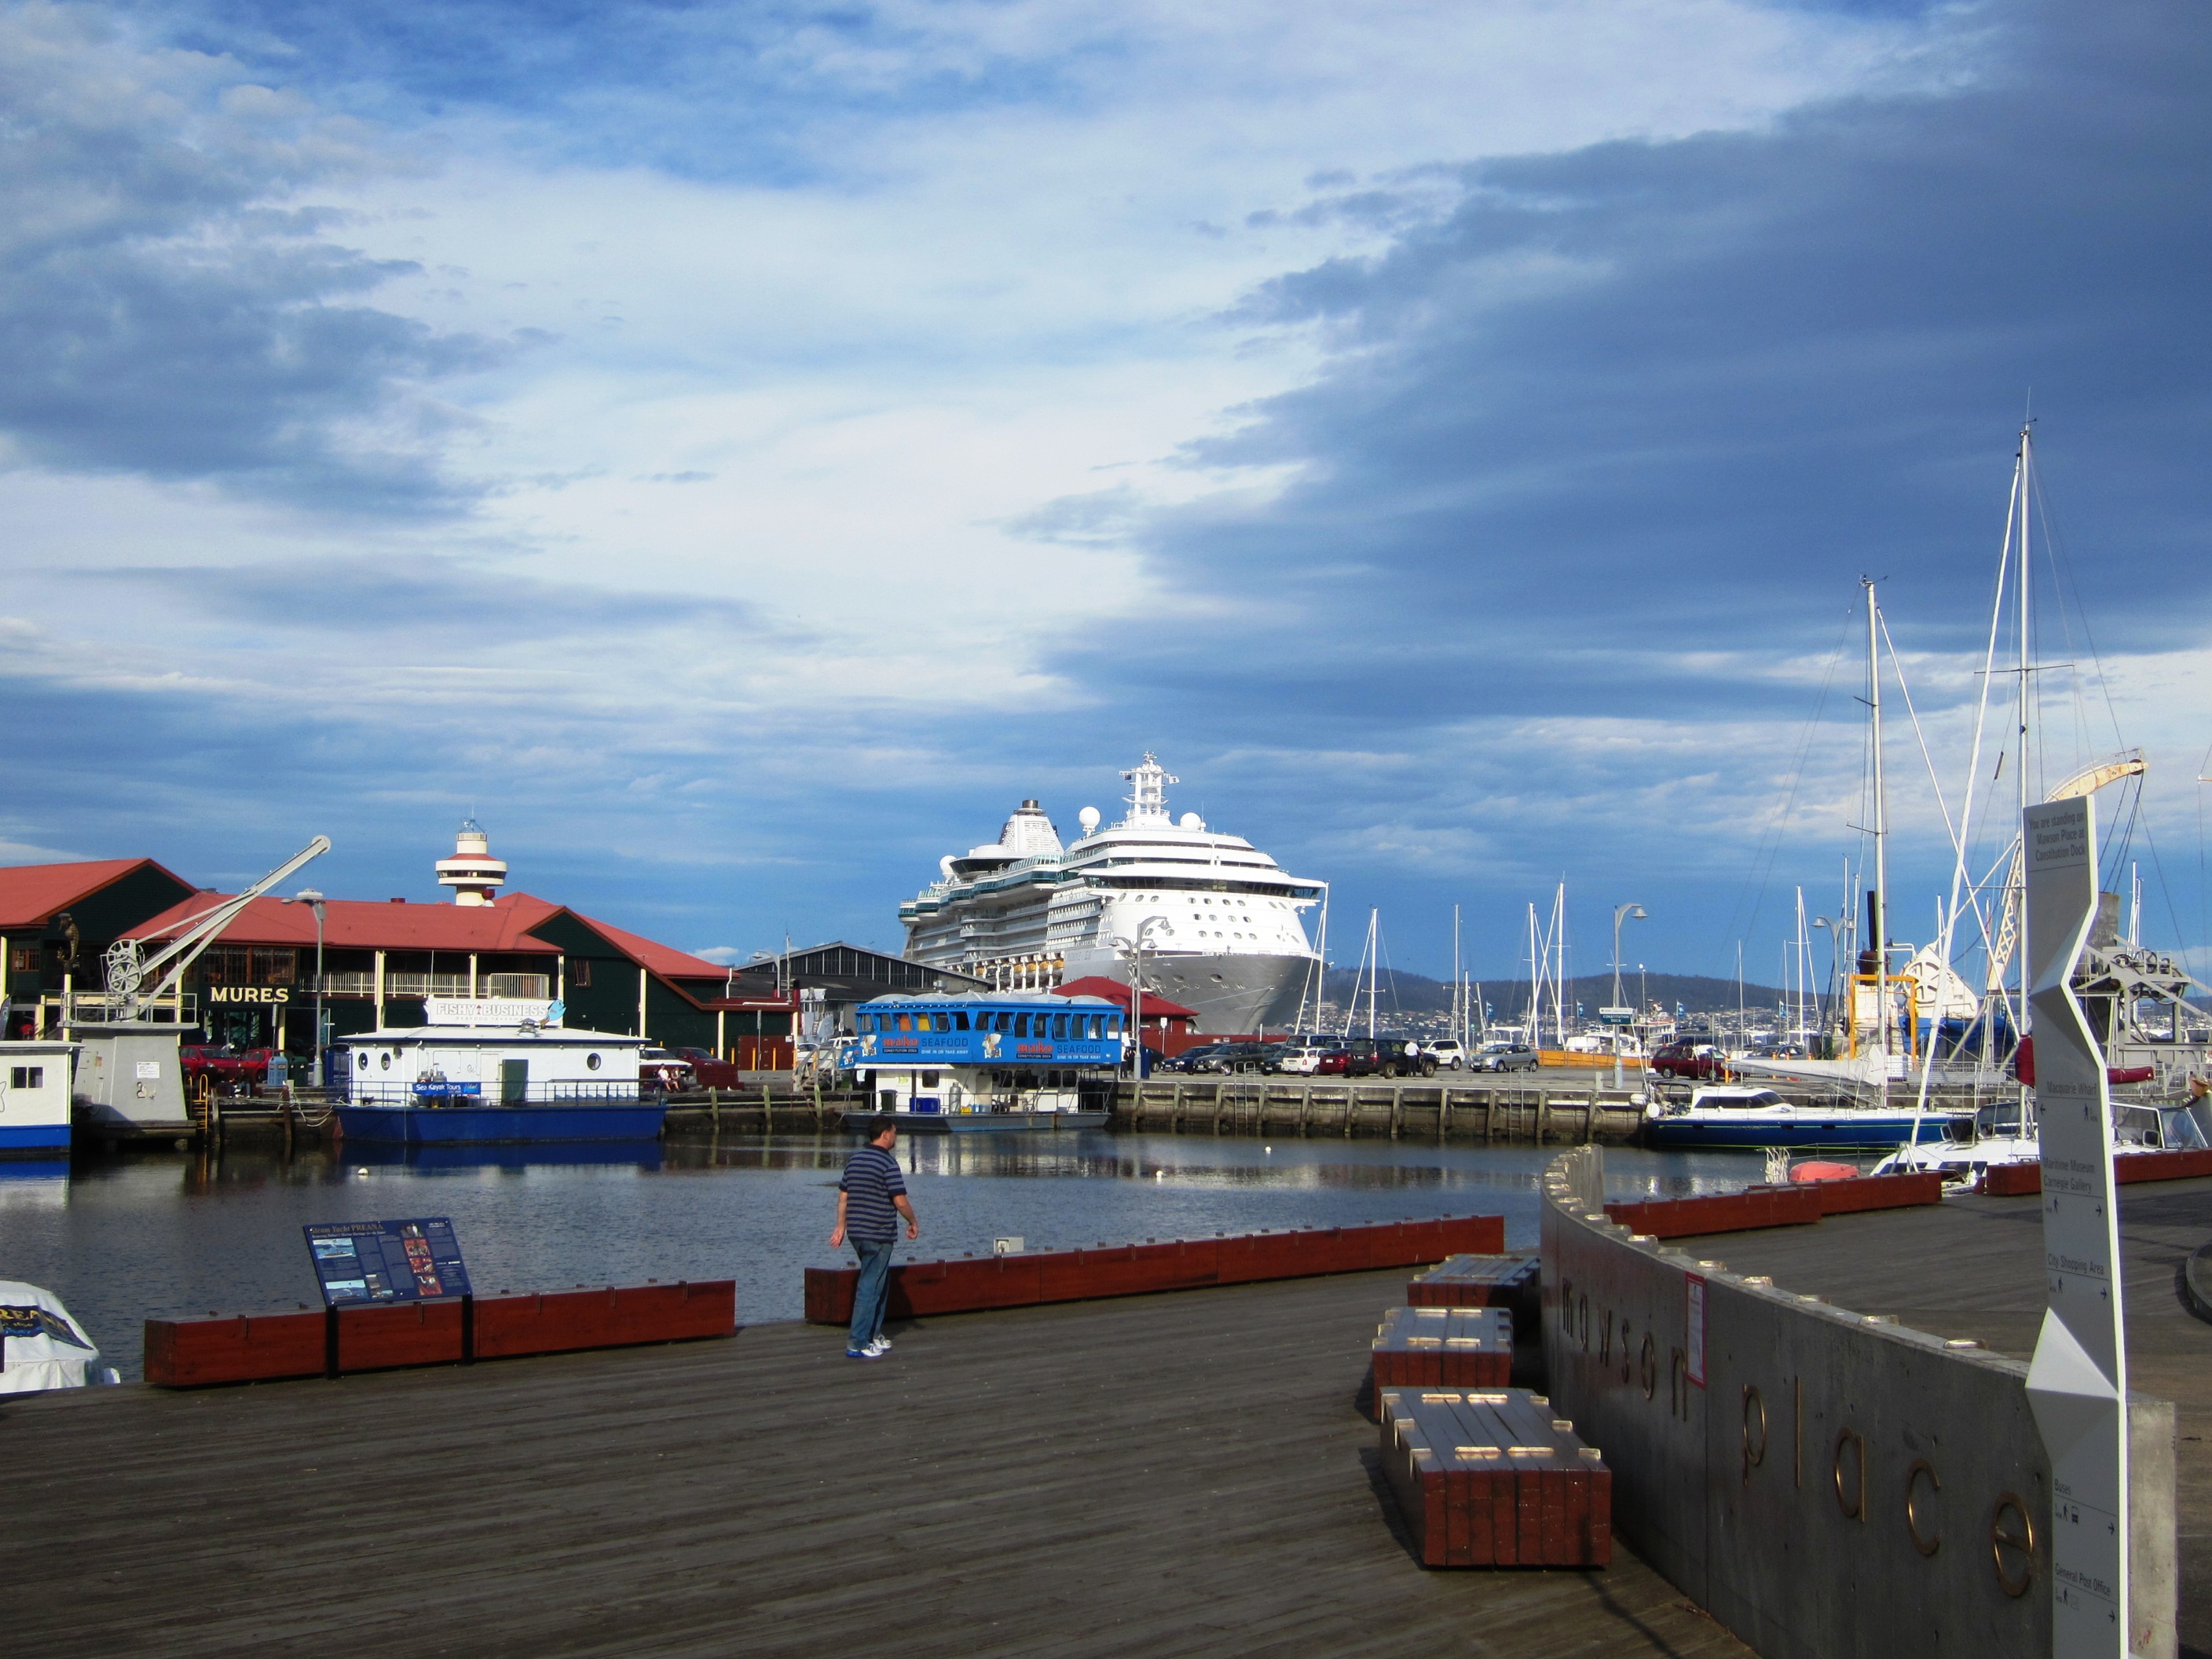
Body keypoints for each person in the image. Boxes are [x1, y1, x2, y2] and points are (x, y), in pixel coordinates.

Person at [830, 1115, 919, 1360]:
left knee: (880, 1281)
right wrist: (912, 1221)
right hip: (878, 1233)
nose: (896, 1137)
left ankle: (873, 1334)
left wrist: (841, 1227)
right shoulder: (888, 1163)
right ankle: (858, 1342)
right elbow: (900, 1201)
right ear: (885, 1135)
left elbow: (843, 1197)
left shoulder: (855, 1160)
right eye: (895, 1133)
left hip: (857, 1232)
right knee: (870, 1285)